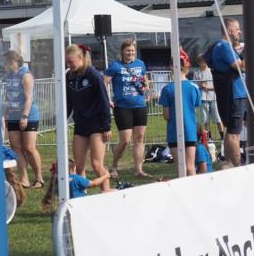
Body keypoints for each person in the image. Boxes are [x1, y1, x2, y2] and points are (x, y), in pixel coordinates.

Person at [65, 44, 111, 192]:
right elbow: (69, 102)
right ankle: (81, 195)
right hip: (80, 124)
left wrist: (106, 126)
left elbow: (104, 101)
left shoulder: (94, 75)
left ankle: (107, 194)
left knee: (97, 164)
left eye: (71, 61)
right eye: (67, 62)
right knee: (79, 165)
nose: (68, 65)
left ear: (80, 58)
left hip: (97, 125)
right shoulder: (69, 76)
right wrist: (61, 120)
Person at [104, 40, 150, 178]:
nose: (130, 53)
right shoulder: (115, 65)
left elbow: (145, 79)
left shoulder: (140, 64)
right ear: (122, 51)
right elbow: (104, 82)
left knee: (140, 138)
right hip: (123, 107)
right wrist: (108, 100)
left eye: (132, 50)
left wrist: (146, 90)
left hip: (140, 105)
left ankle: (139, 170)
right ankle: (113, 166)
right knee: (125, 140)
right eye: (128, 50)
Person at [1, 50, 44, 188]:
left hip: (28, 115)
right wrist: (6, 113)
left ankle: (39, 178)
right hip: (13, 115)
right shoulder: (8, 75)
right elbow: (8, 95)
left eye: (5, 62)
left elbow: (29, 97)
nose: (4, 65)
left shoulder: (25, 75)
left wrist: (25, 116)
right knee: (16, 147)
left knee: (29, 147)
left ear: (13, 61)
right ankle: (24, 179)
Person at [209, 18, 247, 167]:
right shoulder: (224, 47)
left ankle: (230, 162)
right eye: (237, 28)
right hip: (234, 95)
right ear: (229, 30)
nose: (240, 31)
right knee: (233, 131)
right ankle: (236, 165)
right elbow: (241, 67)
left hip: (239, 93)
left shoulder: (226, 47)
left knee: (235, 129)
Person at [158, 52, 203, 177]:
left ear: (171, 67)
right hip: (190, 131)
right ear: (186, 66)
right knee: (190, 167)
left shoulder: (167, 89)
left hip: (174, 132)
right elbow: (196, 109)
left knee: (181, 168)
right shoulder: (194, 87)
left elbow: (166, 115)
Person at [192, 56, 224, 143]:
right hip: (202, 98)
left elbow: (217, 86)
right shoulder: (196, 73)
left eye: (205, 61)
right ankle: (209, 137)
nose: (204, 63)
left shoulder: (211, 71)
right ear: (198, 63)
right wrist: (200, 86)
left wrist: (207, 87)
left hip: (213, 97)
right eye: (201, 61)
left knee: (217, 118)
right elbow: (194, 85)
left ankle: (222, 137)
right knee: (205, 119)